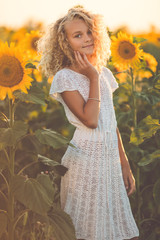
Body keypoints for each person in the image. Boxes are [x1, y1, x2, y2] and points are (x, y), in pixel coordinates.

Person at [37, 6, 139, 240]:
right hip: (85, 163)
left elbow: (109, 121)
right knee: (86, 232)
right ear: (65, 43)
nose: (86, 39)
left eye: (89, 32)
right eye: (77, 35)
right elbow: (91, 121)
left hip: (109, 163)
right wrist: (92, 76)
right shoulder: (65, 77)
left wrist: (124, 164)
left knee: (124, 232)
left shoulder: (104, 73)